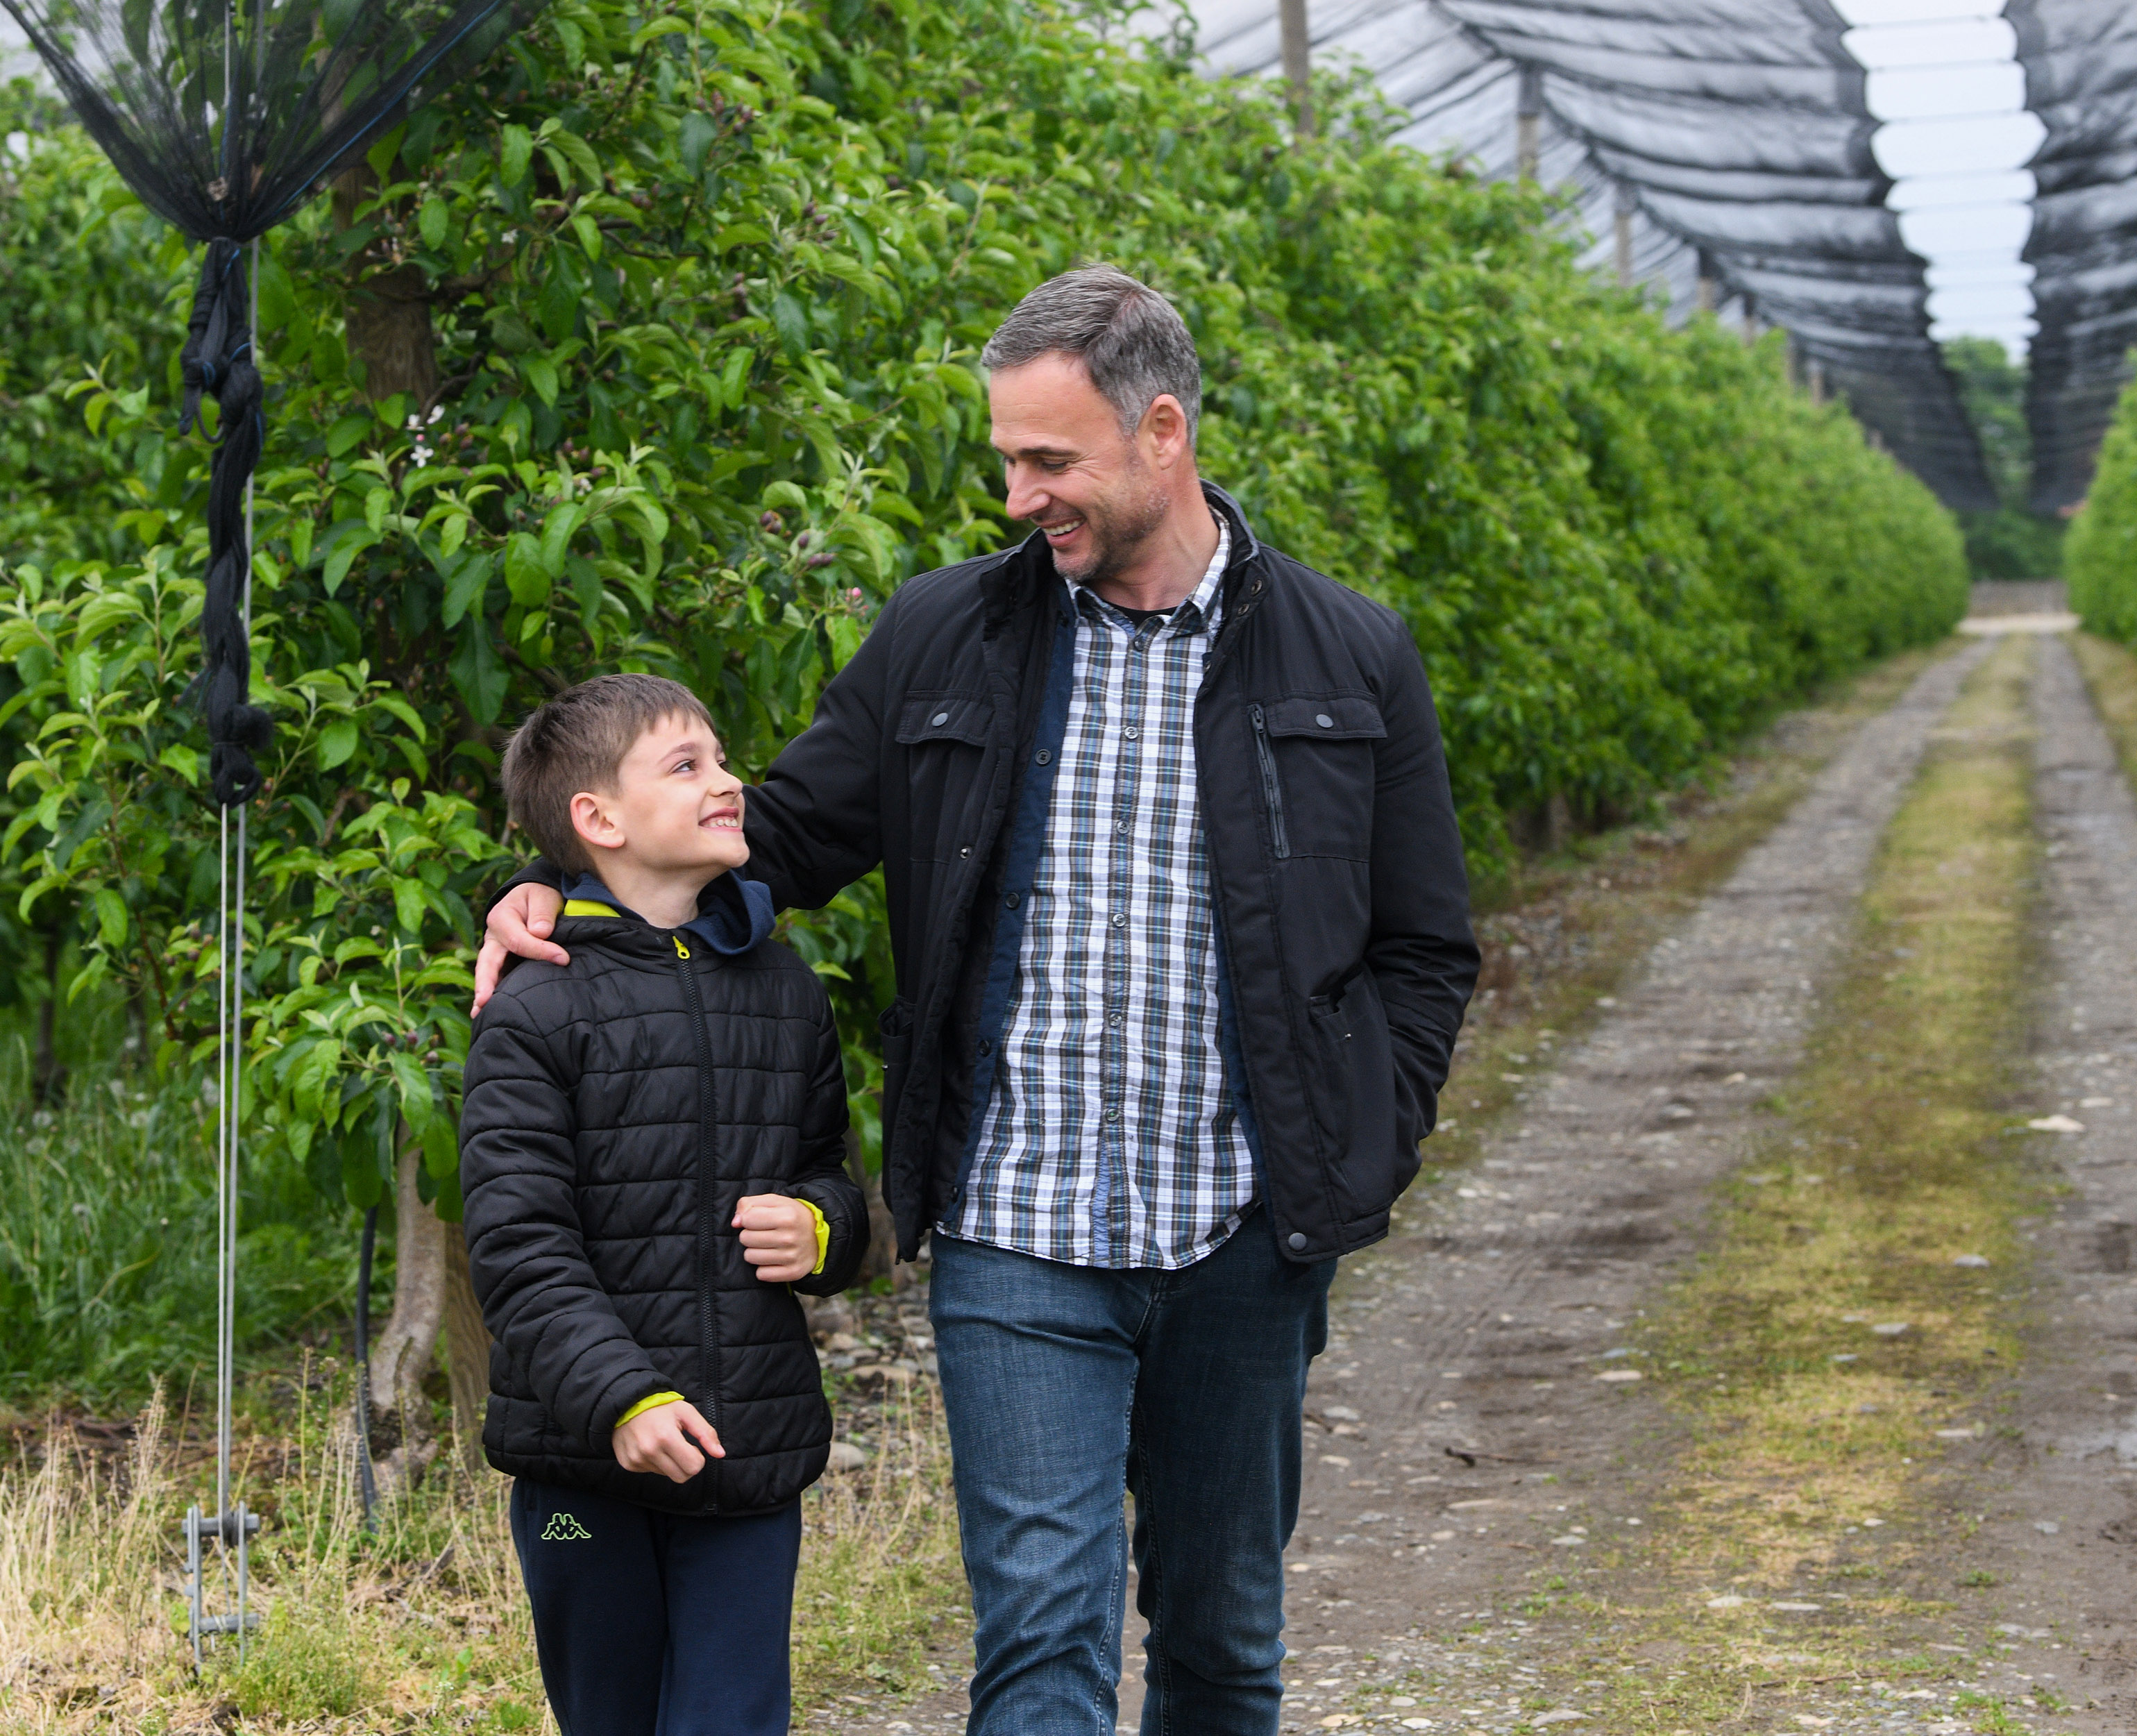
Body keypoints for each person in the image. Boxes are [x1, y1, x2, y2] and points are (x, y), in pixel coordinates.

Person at [473, 264, 1481, 1734]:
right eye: (1006, 458)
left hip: (1243, 1230)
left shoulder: (1351, 655)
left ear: (1161, 432)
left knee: (1219, 1632)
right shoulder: (948, 633)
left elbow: (1422, 945)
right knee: (1042, 1630)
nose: (1018, 496)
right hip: (1020, 1228)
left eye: (1047, 461)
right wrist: (540, 887)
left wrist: (1361, 1134)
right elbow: (785, 835)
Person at [461, 671, 870, 1736]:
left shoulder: (786, 990)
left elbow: (834, 1167)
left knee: (733, 1719)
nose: (729, 781)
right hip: (582, 1466)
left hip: (747, 1447)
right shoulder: (537, 1008)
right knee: (612, 1718)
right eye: (686, 766)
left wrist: (822, 1226)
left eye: (723, 758)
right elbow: (518, 1247)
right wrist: (623, 1399)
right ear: (596, 820)